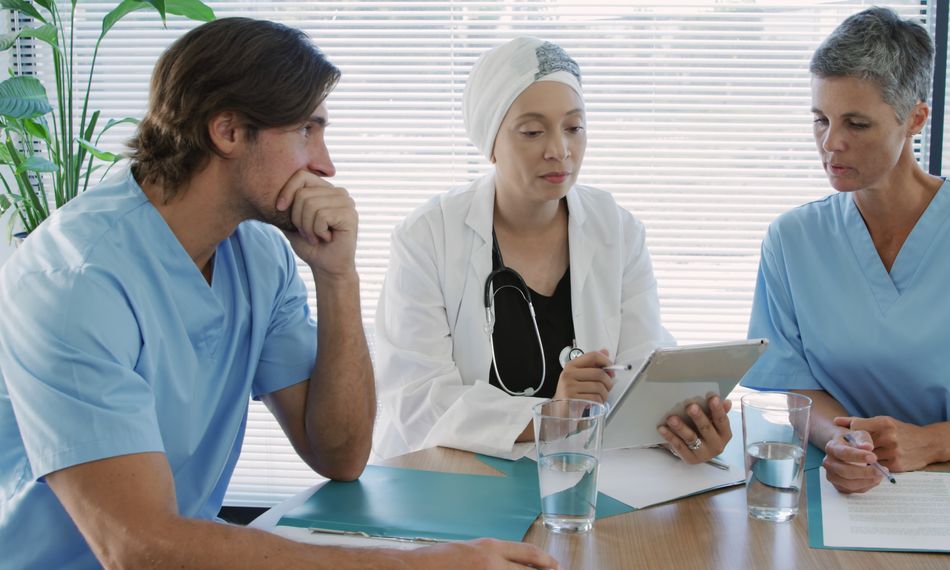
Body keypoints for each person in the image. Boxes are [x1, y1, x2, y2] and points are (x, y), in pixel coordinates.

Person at [0, 18, 556, 569]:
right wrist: (417, 567)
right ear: (229, 131)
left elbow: (339, 455)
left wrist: (338, 277)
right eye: (306, 130)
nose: (326, 164)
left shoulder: (259, 255)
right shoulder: (75, 282)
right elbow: (139, 546)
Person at [741, 7, 950, 494]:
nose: (830, 143)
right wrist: (841, 441)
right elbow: (790, 379)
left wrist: (931, 443)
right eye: (820, 119)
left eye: (856, 124)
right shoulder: (792, 240)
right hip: (852, 487)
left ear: (915, 119)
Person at [374, 37, 733, 464]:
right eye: (532, 131)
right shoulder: (427, 236)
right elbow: (417, 398)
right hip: (449, 472)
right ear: (490, 141)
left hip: (579, 470)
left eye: (574, 127)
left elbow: (642, 362)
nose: (559, 150)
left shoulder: (617, 229)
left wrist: (685, 425)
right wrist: (550, 413)